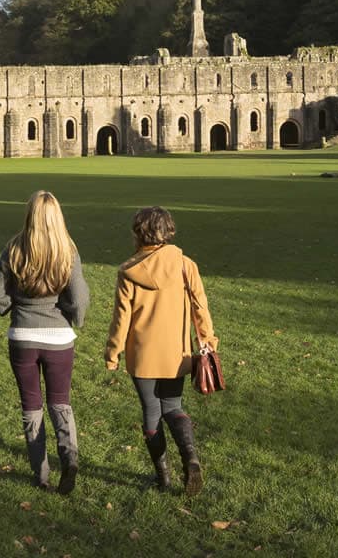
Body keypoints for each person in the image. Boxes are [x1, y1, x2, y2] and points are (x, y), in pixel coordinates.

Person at [105, 206, 217, 495]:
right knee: (173, 406)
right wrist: (208, 340)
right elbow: (200, 307)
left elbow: (122, 318)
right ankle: (190, 459)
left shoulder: (129, 271)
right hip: (175, 354)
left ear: (138, 233)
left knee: (152, 413)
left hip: (141, 355)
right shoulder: (184, 264)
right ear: (168, 231)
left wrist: (112, 352)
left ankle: (163, 477)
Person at [0, 191, 89, 493]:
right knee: (60, 401)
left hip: (22, 337)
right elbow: (80, 299)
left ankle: (41, 474)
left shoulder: (13, 249)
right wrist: (73, 318)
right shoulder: (67, 250)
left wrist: (14, 310)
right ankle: (69, 459)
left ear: (29, 215)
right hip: (59, 337)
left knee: (31, 405)